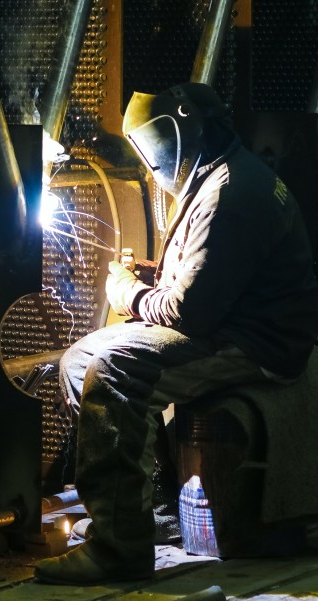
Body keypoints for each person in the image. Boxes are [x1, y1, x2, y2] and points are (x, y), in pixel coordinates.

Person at [34, 82, 318, 585]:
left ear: (176, 137)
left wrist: (127, 293)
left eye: (150, 155)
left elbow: (190, 312)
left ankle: (118, 550)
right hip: (231, 319)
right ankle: (150, 515)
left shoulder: (230, 194)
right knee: (78, 361)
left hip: (256, 342)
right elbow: (211, 276)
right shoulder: (220, 173)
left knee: (115, 372)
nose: (151, 167)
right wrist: (151, 275)